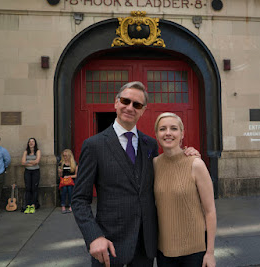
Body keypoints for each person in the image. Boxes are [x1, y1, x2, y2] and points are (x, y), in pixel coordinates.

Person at [72, 81, 199, 267]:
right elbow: (79, 199)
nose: (130, 107)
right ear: (116, 102)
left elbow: (166, 175)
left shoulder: (150, 145)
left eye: (137, 105)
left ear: (143, 110)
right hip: (109, 245)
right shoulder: (94, 145)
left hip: (146, 247)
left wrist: (187, 156)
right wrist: (94, 237)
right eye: (126, 101)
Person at [153, 112, 216, 267]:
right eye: (162, 129)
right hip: (164, 252)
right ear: (156, 135)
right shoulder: (154, 164)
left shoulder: (196, 164)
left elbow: (210, 211)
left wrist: (210, 253)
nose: (168, 133)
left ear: (182, 134)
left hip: (194, 252)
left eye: (173, 128)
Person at [21, 138, 41, 214]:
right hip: (27, 172)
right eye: (30, 141)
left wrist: (28, 162)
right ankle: (28, 205)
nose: (31, 143)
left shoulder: (37, 151)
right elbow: (22, 162)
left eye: (32, 141)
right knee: (28, 188)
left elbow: (37, 161)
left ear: (35, 143)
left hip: (35, 171)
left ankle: (33, 205)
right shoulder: (26, 152)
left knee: (34, 188)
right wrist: (32, 162)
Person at [58, 149, 78, 214]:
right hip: (64, 181)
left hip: (71, 180)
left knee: (69, 189)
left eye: (66, 156)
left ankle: (70, 205)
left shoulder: (74, 163)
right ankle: (63, 205)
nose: (65, 157)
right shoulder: (61, 163)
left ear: (70, 156)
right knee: (64, 189)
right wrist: (60, 172)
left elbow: (76, 175)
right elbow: (60, 176)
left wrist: (69, 177)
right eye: (63, 156)